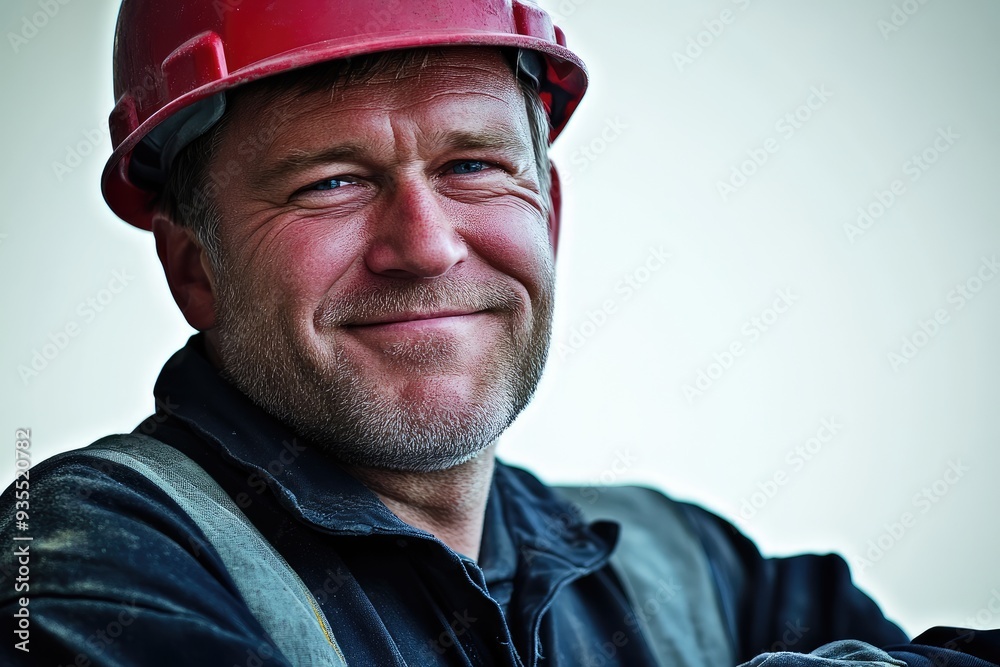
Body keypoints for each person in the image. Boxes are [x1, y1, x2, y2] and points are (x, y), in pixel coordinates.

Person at [0, 1, 997, 665]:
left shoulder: (681, 568)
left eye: (474, 165)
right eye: (331, 182)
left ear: (548, 213)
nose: (426, 246)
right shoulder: (79, 560)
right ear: (194, 267)